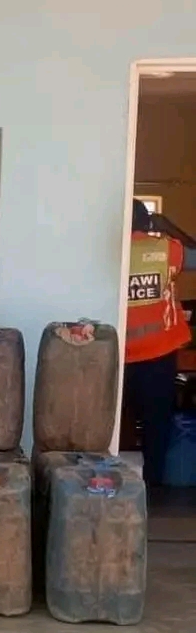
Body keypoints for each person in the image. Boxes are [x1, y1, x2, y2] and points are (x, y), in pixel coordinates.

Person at [124, 199, 192, 488]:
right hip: (159, 353)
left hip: (118, 355)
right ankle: (153, 488)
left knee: (117, 424)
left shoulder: (110, 251)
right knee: (157, 424)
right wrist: (170, 228)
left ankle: (117, 486)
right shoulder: (167, 249)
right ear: (147, 222)